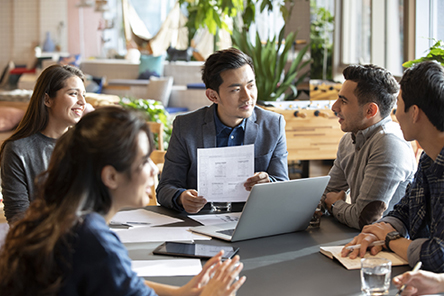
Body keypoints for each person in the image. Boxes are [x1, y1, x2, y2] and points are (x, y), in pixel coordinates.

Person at [0, 107, 246, 296]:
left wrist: (181, 293)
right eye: (143, 162)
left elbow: (121, 280)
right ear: (110, 176)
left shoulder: (62, 218)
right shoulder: (93, 238)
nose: (154, 170)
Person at [156, 48, 289, 213]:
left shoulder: (273, 125)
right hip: (199, 224)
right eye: (236, 89)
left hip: (253, 221)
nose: (247, 96)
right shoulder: (186, 127)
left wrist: (268, 183)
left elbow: (283, 185)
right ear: (213, 96)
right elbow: (165, 188)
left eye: (251, 85)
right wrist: (181, 197)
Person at [341, 61, 444, 272]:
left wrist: (389, 238)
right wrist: (374, 232)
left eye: (398, 105)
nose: (395, 115)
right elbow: (404, 211)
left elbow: (438, 255)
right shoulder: (428, 159)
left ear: (414, 112)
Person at [319, 64, 416, 229]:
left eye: (343, 101)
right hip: (361, 239)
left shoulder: (389, 144)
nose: (334, 107)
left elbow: (364, 218)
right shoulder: (349, 140)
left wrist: (335, 205)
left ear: (370, 111)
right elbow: (327, 193)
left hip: (387, 246)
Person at [0, 64, 87, 225]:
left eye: (83, 94)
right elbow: (18, 218)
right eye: (73, 94)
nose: (82, 102)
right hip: (42, 244)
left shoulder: (86, 145)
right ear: (47, 99)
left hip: (87, 235)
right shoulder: (18, 150)